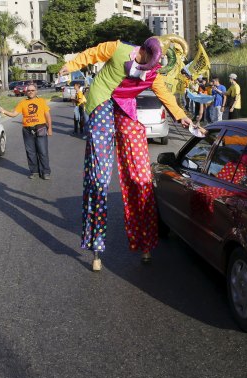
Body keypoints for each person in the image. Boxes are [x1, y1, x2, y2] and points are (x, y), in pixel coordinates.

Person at [59, 35, 193, 270]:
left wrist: (182, 117)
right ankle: (96, 247)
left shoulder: (153, 75)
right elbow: (92, 53)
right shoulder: (118, 48)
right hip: (101, 100)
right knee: (100, 177)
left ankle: (145, 242)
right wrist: (70, 65)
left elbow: (168, 99)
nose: (149, 66)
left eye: (156, 64)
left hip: (125, 108)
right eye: (149, 60)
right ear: (142, 50)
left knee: (140, 175)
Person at [0, 84, 53, 180]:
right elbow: (14, 114)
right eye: (29, 90)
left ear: (36, 91)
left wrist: (50, 128)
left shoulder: (41, 101)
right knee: (30, 152)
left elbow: (47, 115)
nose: (31, 92)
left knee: (42, 151)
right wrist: (4, 111)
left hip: (40, 128)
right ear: (26, 92)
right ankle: (34, 171)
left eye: (32, 90)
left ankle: (45, 172)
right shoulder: (22, 103)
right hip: (27, 130)